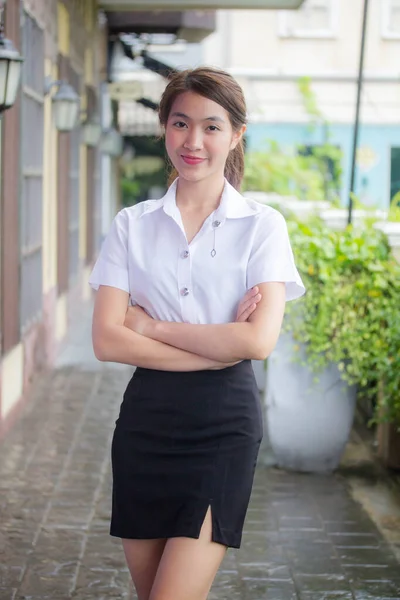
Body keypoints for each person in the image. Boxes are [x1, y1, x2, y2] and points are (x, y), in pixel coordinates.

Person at [89, 66, 305, 600]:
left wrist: (152, 326)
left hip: (222, 427)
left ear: (235, 135)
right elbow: (107, 341)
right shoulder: (131, 226)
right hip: (146, 424)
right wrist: (216, 346)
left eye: (212, 126)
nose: (193, 141)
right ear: (163, 126)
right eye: (181, 123)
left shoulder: (262, 226)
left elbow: (257, 343)